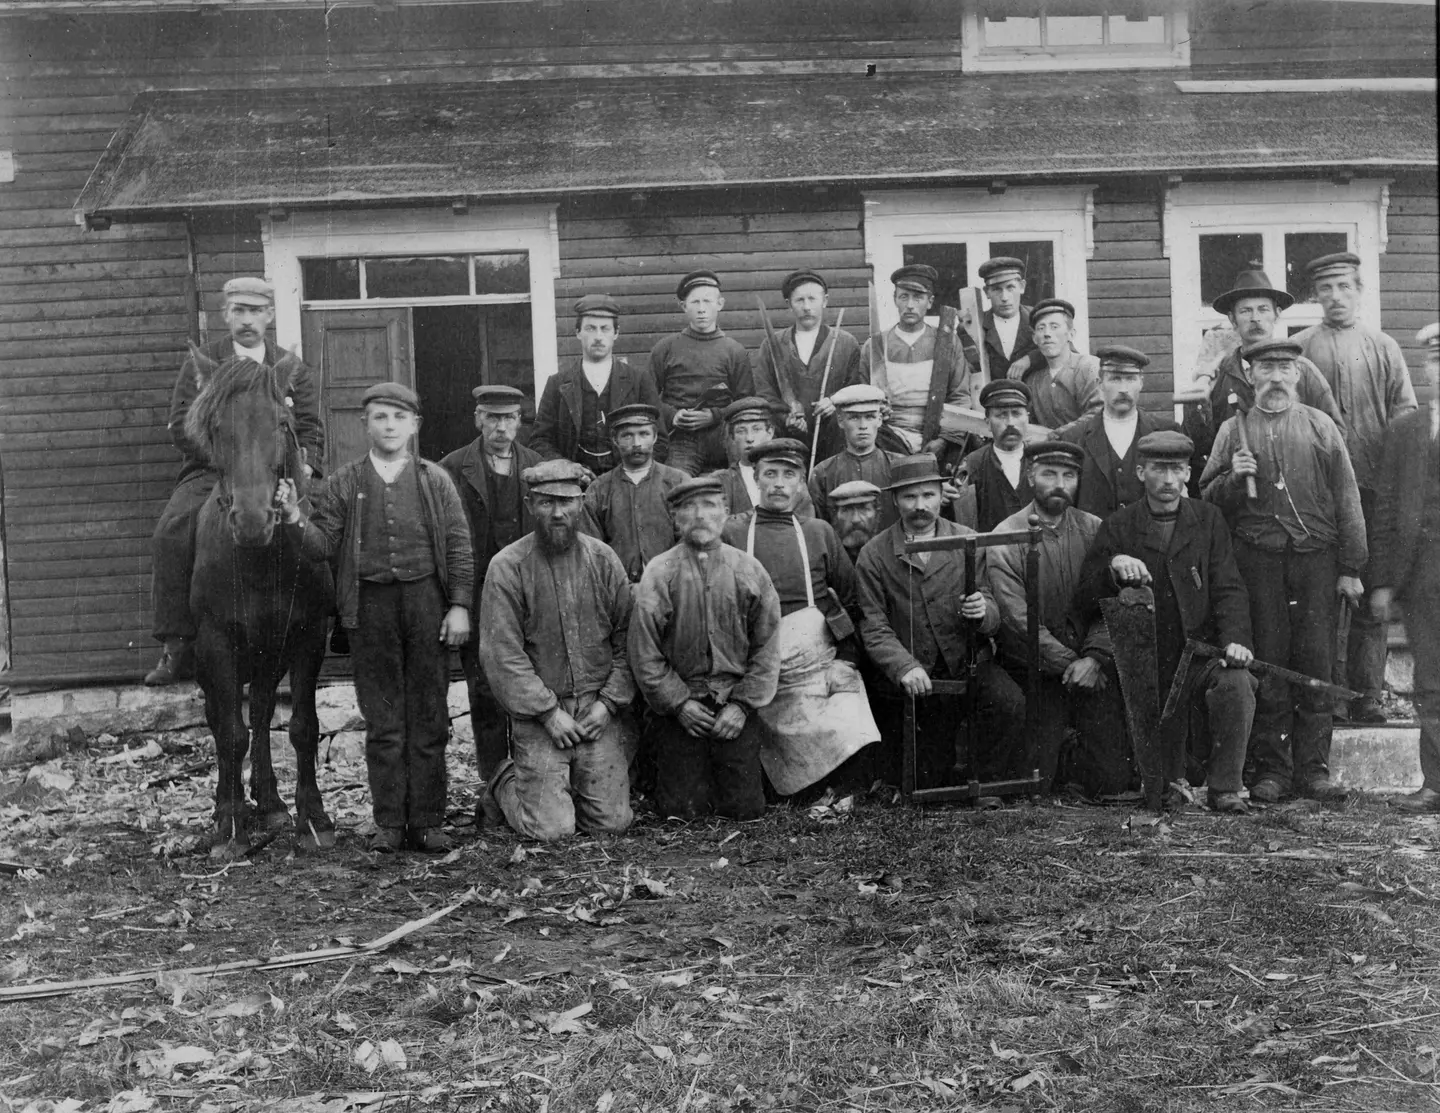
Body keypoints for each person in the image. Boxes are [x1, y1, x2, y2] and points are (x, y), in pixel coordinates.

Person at [281, 382, 473, 852]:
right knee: (384, 720)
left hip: (426, 604)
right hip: (370, 610)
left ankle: (427, 821)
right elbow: (323, 546)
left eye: (398, 417)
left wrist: (460, 605)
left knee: (428, 716)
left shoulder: (435, 479)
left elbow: (458, 545)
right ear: (365, 424)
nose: (389, 425)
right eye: (380, 417)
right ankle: (389, 822)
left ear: (414, 426)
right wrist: (292, 517)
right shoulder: (345, 482)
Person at [1201, 339, 1367, 803]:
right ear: (1250, 375)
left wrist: (1351, 567)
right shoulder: (1232, 432)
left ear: (1298, 375)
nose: (1276, 377)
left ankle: (1314, 771)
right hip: (1258, 563)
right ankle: (1273, 772)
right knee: (1269, 662)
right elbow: (1208, 502)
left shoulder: (1320, 428)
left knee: (1316, 662)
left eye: (1284, 368)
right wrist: (1233, 477)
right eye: (1266, 368)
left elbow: (1347, 498)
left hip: (1316, 560)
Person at [146, 276, 324, 685]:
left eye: (256, 311)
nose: (247, 320)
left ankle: (333, 620)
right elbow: (180, 425)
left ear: (269, 315)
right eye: (239, 311)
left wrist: (307, 467)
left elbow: (311, 427)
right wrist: (227, 457)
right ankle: (177, 642)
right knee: (171, 531)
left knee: (325, 526)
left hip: (277, 471)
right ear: (226, 314)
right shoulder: (204, 363)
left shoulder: (289, 368)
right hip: (214, 470)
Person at [1075, 431, 1257, 814]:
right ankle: (1163, 779)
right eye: (1159, 469)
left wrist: (1236, 640)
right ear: (1141, 472)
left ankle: (1226, 787)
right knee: (1159, 787)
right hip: (1144, 664)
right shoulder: (1120, 525)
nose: (1169, 480)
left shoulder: (1208, 520)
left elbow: (1229, 588)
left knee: (1236, 683)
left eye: (1177, 469)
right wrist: (1113, 568)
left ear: (1188, 473)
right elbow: (1083, 598)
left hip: (1197, 658)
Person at [478, 460, 637, 840]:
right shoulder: (508, 567)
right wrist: (548, 713)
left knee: (612, 824)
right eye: (547, 503)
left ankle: (569, 787)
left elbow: (628, 639)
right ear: (530, 504)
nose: (558, 513)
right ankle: (503, 782)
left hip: (596, 708)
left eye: (566, 502)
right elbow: (502, 654)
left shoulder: (603, 560)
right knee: (552, 832)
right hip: (540, 715)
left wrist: (608, 704)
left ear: (582, 503)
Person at [1295, 251, 1418, 723]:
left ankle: (1367, 697)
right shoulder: (1301, 349)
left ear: (1359, 291)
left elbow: (1404, 414)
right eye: (1326, 288)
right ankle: (1327, 697)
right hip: (1321, 497)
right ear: (1316, 296)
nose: (1336, 297)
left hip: (1372, 490)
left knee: (1370, 598)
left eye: (1345, 287)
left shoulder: (1383, 346)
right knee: (1324, 598)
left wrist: (1394, 477)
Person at [854, 454, 1024, 789]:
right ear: (895, 500)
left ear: (940, 495)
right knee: (930, 774)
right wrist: (904, 666)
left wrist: (982, 611)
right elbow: (873, 625)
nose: (920, 505)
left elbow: (992, 603)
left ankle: (988, 787)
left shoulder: (968, 540)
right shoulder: (874, 554)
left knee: (1010, 703)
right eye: (909, 497)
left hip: (968, 662)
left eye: (928, 495)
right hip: (919, 674)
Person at [720, 439, 879, 796]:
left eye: (788, 474)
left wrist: (848, 659)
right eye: (770, 474)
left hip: (816, 660)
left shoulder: (818, 531)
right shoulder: (731, 532)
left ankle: (842, 792)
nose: (778, 483)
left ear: (800, 483)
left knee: (848, 720)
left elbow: (851, 603)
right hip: (755, 664)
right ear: (756, 480)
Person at [629, 475, 782, 820]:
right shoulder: (660, 571)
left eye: (709, 505)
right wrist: (679, 703)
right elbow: (644, 653)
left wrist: (742, 706)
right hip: (682, 708)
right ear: (675, 518)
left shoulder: (749, 569)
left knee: (745, 809)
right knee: (682, 811)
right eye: (688, 507)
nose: (699, 515)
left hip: (734, 704)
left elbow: (768, 646)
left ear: (726, 513)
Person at [987, 441, 1126, 795]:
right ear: (1030, 475)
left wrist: (1095, 658)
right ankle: (1057, 756)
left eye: (1069, 475)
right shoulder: (1006, 535)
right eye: (1049, 474)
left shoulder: (1095, 528)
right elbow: (1015, 614)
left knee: (1112, 779)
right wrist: (1071, 663)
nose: (1059, 484)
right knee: (1035, 783)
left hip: (1091, 667)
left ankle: (1076, 758)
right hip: (1037, 670)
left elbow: (1112, 599)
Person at [438, 385, 541, 786]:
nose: (501, 427)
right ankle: (495, 784)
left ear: (519, 421)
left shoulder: (535, 465)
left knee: (531, 681)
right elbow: (445, 538)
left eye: (509, 418)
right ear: (478, 419)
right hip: (478, 596)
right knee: (484, 691)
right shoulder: (451, 467)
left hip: (526, 594)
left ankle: (534, 779)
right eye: (493, 418)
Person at [1370, 323, 1440, 813]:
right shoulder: (1406, 430)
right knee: (1432, 679)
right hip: (1424, 575)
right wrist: (1383, 581)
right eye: (1436, 361)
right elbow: (1388, 508)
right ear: (1426, 367)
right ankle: (1435, 783)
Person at [1186, 267, 1344, 467]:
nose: (1255, 318)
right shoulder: (1219, 375)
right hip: (1238, 485)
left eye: (1263, 309)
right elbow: (1201, 447)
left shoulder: (1301, 371)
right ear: (1233, 319)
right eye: (1245, 311)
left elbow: (1333, 434)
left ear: (1277, 315)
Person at [530, 293, 665, 473]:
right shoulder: (558, 383)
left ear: (616, 333)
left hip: (627, 480)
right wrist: (567, 468)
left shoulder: (639, 380)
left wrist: (631, 472)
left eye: (605, 329)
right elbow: (540, 440)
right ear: (578, 332)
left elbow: (660, 440)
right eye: (591, 328)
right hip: (574, 483)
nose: (598, 336)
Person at [858, 265, 975, 453]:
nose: (910, 305)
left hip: (938, 436)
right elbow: (864, 400)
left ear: (930, 302)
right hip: (888, 438)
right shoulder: (874, 346)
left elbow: (959, 397)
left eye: (918, 297)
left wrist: (944, 440)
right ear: (895, 300)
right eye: (904, 297)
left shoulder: (947, 343)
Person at [648, 271, 754, 475]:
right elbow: (648, 396)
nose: (702, 309)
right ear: (683, 306)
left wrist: (714, 416)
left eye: (707, 301)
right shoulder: (666, 348)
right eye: (695, 302)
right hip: (682, 438)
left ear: (720, 304)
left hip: (724, 435)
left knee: (740, 484)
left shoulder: (734, 350)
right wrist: (673, 415)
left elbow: (745, 401)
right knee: (676, 487)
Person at [754, 270, 864, 465]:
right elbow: (765, 391)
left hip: (835, 437)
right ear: (789, 304)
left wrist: (834, 402)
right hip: (787, 436)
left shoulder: (846, 343)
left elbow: (856, 386)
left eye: (812, 299)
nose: (806, 307)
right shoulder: (773, 345)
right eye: (799, 300)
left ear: (825, 300)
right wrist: (788, 416)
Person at [1059, 345, 1179, 520]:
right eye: (1115, 379)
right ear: (1100, 384)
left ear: (1141, 382)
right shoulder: (1073, 438)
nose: (1123, 389)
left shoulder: (1167, 432)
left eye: (1130, 379)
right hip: (1096, 543)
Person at [580, 403, 688, 583]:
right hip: (619, 589)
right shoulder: (599, 489)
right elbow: (593, 548)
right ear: (615, 440)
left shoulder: (678, 482)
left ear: (654, 437)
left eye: (644, 434)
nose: (636, 443)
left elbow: (689, 538)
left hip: (673, 585)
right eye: (627, 435)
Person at [808, 384, 906, 531]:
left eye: (870, 417)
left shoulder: (900, 465)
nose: (863, 425)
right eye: (854, 417)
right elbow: (819, 529)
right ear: (840, 421)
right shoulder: (823, 473)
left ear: (879, 420)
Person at [712, 396, 815, 520]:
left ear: (770, 432)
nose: (749, 438)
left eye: (756, 429)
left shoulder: (789, 476)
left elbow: (806, 523)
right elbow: (717, 523)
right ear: (733, 438)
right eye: (741, 431)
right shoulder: (721, 480)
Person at [955, 380, 1035, 532]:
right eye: (1001, 415)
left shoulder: (1041, 460)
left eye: (1017, 414)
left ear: (1027, 418)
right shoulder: (973, 464)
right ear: (988, 422)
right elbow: (965, 523)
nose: (1010, 423)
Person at [1012, 298, 1102, 430]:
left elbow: (1098, 414)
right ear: (1035, 339)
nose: (1047, 334)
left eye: (1054, 327)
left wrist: (1052, 437)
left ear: (1071, 334)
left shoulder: (1089, 367)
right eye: (1041, 328)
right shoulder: (1034, 381)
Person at [974, 256, 1041, 381]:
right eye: (996, 289)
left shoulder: (1038, 318)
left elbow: (1065, 350)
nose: (1004, 297)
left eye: (1010, 287)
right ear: (987, 292)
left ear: (1022, 286)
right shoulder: (975, 325)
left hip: (1035, 398)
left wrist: (1030, 359)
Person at [828, 480, 884, 563]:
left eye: (864, 509)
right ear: (835, 517)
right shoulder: (828, 558)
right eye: (846, 510)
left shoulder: (888, 554)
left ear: (877, 514)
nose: (855, 519)